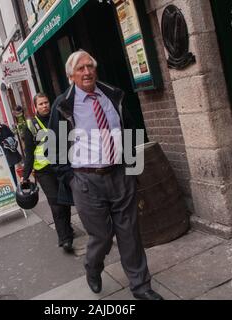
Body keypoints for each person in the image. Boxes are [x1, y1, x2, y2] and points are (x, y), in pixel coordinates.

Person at [48, 50, 163, 300]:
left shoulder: (112, 94)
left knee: (130, 232)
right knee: (101, 235)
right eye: (81, 68)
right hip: (86, 181)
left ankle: (141, 286)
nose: (87, 72)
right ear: (71, 75)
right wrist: (70, 179)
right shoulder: (63, 104)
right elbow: (54, 148)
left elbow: (131, 129)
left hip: (120, 173)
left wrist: (133, 170)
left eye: (90, 66)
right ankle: (93, 267)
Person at [22, 93, 74, 253]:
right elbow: (29, 153)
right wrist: (25, 176)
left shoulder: (58, 120)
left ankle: (68, 229)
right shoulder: (30, 126)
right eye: (41, 104)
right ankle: (64, 238)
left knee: (65, 201)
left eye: (46, 102)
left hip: (62, 166)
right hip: (44, 171)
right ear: (35, 107)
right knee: (56, 204)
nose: (44, 106)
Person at [0, 115, 22, 186]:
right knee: (4, 172)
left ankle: (15, 185)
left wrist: (7, 140)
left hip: (8, 152)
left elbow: (11, 135)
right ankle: (9, 186)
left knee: (11, 170)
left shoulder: (4, 127)